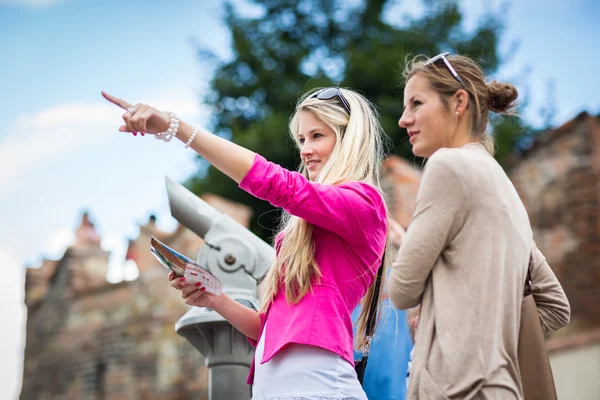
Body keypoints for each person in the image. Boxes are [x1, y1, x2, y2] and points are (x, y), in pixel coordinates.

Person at [102, 87, 389, 400]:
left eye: (317, 136)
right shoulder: (309, 232)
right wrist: (214, 298)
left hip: (319, 386)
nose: (305, 150)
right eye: (302, 140)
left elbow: (275, 183)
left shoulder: (366, 203)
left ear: (349, 139)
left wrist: (176, 127)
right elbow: (266, 329)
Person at [386, 53, 571, 399]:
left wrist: (401, 242)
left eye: (416, 104)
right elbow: (557, 307)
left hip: (456, 388)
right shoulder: (503, 188)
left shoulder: (447, 165)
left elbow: (402, 291)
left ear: (458, 102)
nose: (403, 119)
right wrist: (484, 333)